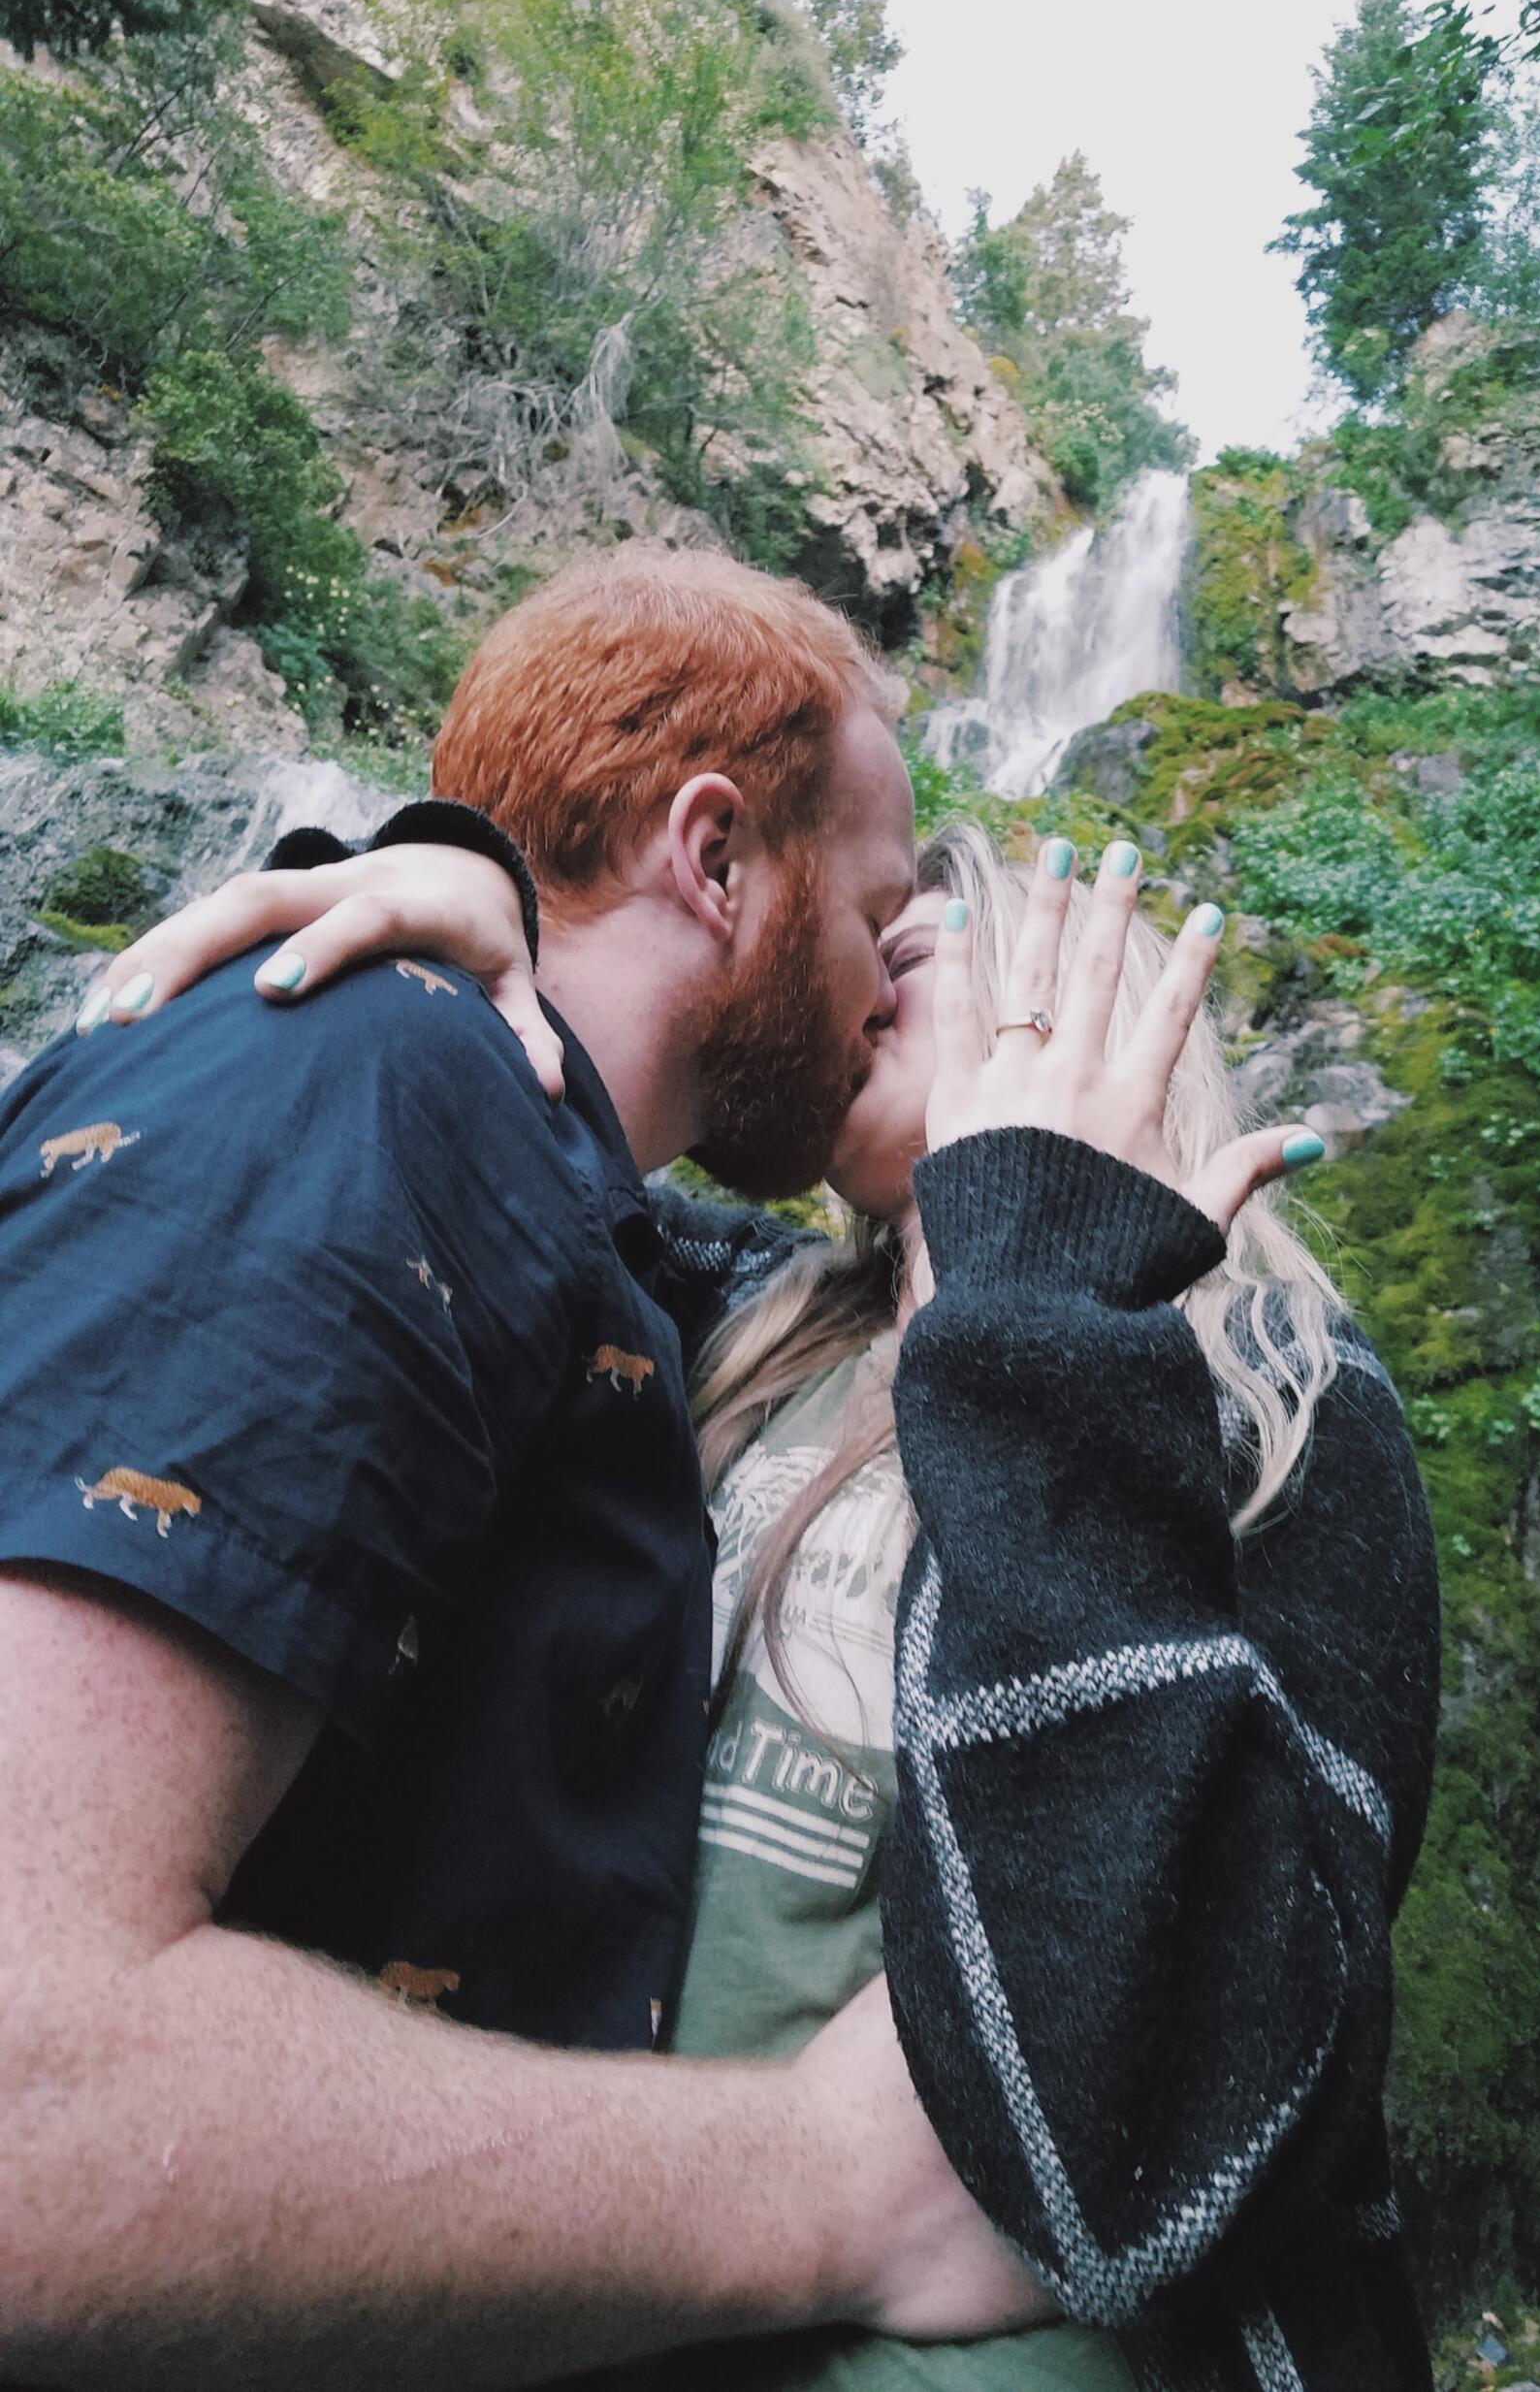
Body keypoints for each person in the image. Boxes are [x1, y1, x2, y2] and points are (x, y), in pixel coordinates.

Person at [100, 803, 1444, 2392]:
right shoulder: (729, 1306)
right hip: (615, 2285)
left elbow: (1177, 2120)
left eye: (908, 955)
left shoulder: (1278, 1386)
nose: (856, 994)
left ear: (1072, 995)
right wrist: (487, 895)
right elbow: (504, 1139)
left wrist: (1043, 1286)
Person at [0, 547, 1046, 2388]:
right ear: (714, 859)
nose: (888, 986)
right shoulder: (368, 1082)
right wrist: (819, 2190)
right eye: (877, 914)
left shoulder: (566, 1212)